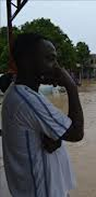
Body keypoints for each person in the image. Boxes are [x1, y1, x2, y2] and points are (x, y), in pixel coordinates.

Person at [1, 33, 84, 197]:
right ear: (27, 61)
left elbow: (50, 131)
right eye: (50, 59)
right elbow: (76, 132)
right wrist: (71, 86)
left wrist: (57, 137)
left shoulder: (23, 93)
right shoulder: (28, 100)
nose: (57, 67)